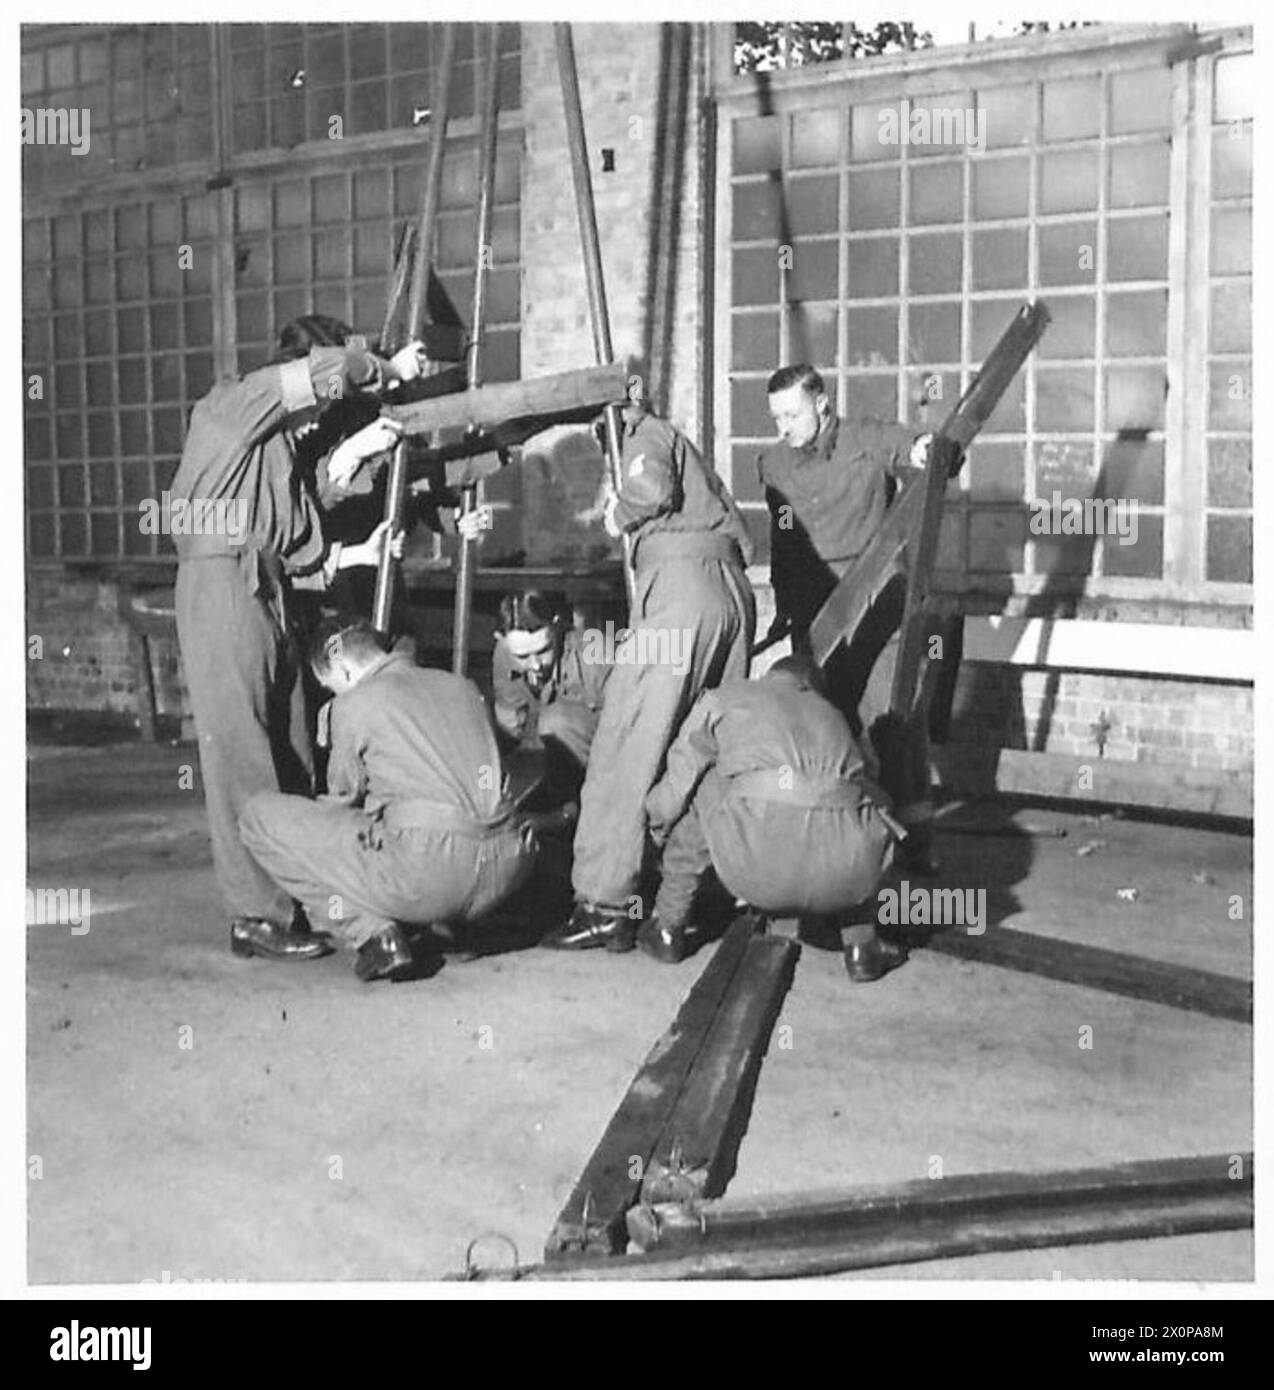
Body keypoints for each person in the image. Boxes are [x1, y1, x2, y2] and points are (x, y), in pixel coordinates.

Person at [173, 313, 425, 963]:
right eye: (326, 400)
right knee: (242, 748)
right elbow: (322, 374)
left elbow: (297, 537)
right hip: (222, 587)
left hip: (269, 590)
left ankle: (303, 892)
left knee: (291, 748)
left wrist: (357, 528)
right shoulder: (231, 406)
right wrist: (386, 367)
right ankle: (255, 915)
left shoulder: (277, 453)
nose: (323, 417)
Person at [541, 400, 756, 952]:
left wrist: (617, 514)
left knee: (626, 743)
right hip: (727, 594)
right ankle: (699, 887)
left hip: (681, 594)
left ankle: (604, 904)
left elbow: (651, 489)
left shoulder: (642, 432)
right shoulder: (689, 452)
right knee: (700, 746)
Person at [239, 619, 538, 982]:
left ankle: (375, 935)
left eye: (330, 687)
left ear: (344, 671)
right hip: (506, 870)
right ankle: (448, 926)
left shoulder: (354, 705)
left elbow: (342, 799)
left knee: (259, 817)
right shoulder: (460, 686)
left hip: (430, 876)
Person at [759, 363, 939, 874]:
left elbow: (912, 447)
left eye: (791, 414)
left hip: (879, 613)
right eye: (776, 417)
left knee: (892, 723)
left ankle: (915, 850)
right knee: (825, 729)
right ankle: (842, 848)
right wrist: (783, 606)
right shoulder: (775, 464)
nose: (783, 427)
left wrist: (930, 451)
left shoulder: (864, 437)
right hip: (817, 620)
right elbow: (783, 541)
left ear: (822, 404)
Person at [642, 656, 905, 981]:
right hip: (849, 878)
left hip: (758, 870)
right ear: (810, 686)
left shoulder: (725, 698)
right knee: (845, 807)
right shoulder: (834, 716)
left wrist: (653, 834)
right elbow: (873, 789)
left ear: (770, 675)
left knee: (709, 783)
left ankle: (668, 926)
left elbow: (672, 795)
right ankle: (862, 948)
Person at [491, 589, 610, 805]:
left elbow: (625, 739)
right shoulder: (503, 655)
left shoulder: (596, 655)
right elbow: (511, 729)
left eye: (543, 650)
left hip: (603, 760)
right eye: (523, 656)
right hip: (548, 762)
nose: (535, 665)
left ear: (556, 626)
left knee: (554, 722)